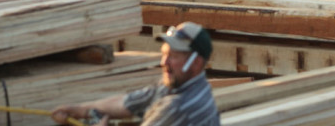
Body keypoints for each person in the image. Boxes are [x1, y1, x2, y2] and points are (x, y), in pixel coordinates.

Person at [51, 21, 219, 126]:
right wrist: (81, 110)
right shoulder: (178, 85)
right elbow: (127, 103)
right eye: (165, 54)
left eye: (173, 57)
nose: (164, 63)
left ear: (196, 63)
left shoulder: (179, 108)